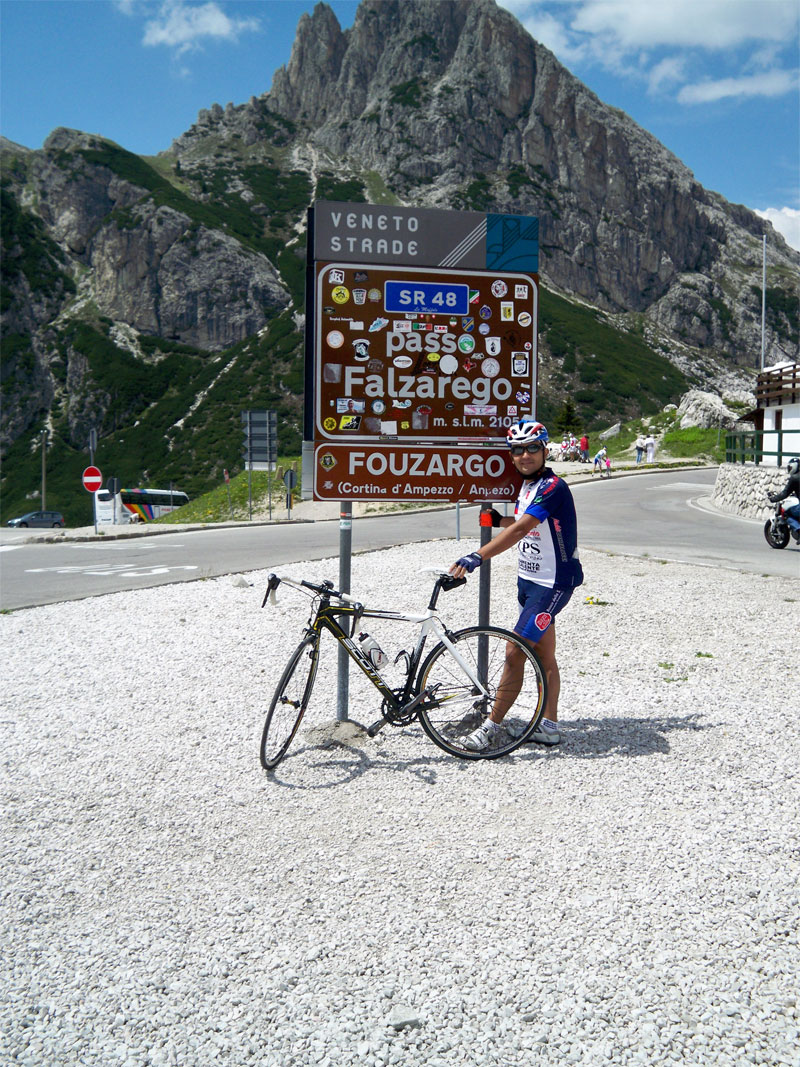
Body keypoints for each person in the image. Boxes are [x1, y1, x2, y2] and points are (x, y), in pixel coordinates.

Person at [450, 419, 583, 751]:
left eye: (532, 448)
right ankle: (549, 727)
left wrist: (476, 557)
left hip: (551, 584)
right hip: (529, 580)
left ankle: (490, 727)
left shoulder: (554, 487)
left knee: (514, 652)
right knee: (544, 655)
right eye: (518, 450)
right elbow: (529, 522)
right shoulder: (527, 487)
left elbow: (523, 529)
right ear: (511, 455)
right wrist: (498, 521)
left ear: (545, 449)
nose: (525, 455)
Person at [768, 457, 800, 523]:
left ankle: (797, 529)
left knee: (786, 512)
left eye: (790, 468)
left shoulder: (794, 478)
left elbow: (785, 493)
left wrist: (773, 499)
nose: (789, 469)